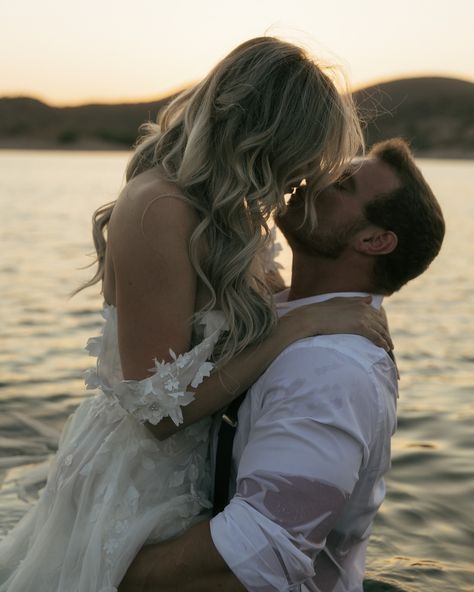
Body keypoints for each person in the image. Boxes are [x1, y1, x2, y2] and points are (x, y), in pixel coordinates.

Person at [0, 37, 392, 592]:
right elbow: (157, 415)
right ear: (271, 135)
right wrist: (301, 326)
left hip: (203, 472)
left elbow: (230, 328)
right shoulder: (158, 207)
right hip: (143, 482)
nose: (308, 175)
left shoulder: (230, 210)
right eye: (308, 153)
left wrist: (335, 310)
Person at [118, 138, 445, 592]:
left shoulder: (332, 370)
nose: (316, 177)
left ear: (373, 240)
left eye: (343, 184)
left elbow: (252, 557)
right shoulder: (279, 306)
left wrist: (96, 571)